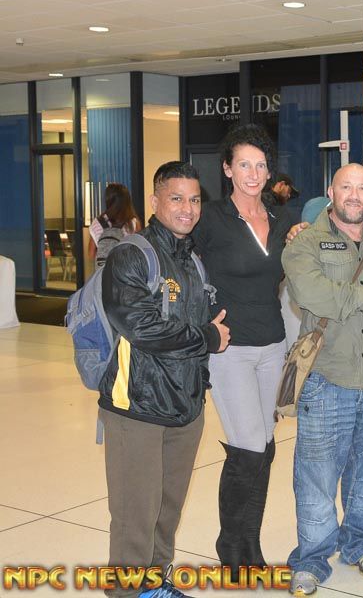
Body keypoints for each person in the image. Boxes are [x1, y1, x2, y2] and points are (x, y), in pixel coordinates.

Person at [99, 161, 229, 598]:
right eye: (176, 198)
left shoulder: (192, 259)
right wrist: (207, 337)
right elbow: (141, 326)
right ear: (155, 201)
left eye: (194, 200)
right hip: (136, 406)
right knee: (135, 515)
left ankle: (153, 586)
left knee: (166, 510)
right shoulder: (132, 254)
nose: (187, 208)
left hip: (185, 405)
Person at [281, 164, 363, 596]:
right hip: (327, 378)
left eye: (362, 188)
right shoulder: (304, 243)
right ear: (330, 191)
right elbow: (311, 294)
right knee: (316, 475)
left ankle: (359, 543)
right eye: (345, 186)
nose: (354, 195)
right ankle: (311, 559)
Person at [191, 123, 294, 580]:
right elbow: (181, 266)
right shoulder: (210, 218)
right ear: (228, 169)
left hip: (273, 345)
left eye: (260, 165)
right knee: (248, 446)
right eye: (244, 165)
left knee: (264, 446)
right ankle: (230, 545)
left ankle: (250, 543)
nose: (253, 173)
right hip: (229, 349)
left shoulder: (282, 220)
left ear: (269, 171)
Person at [88, 183, 141, 265]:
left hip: (103, 271)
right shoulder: (132, 223)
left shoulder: (97, 223)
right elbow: (138, 251)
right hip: (125, 269)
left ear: (108, 200)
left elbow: (91, 254)